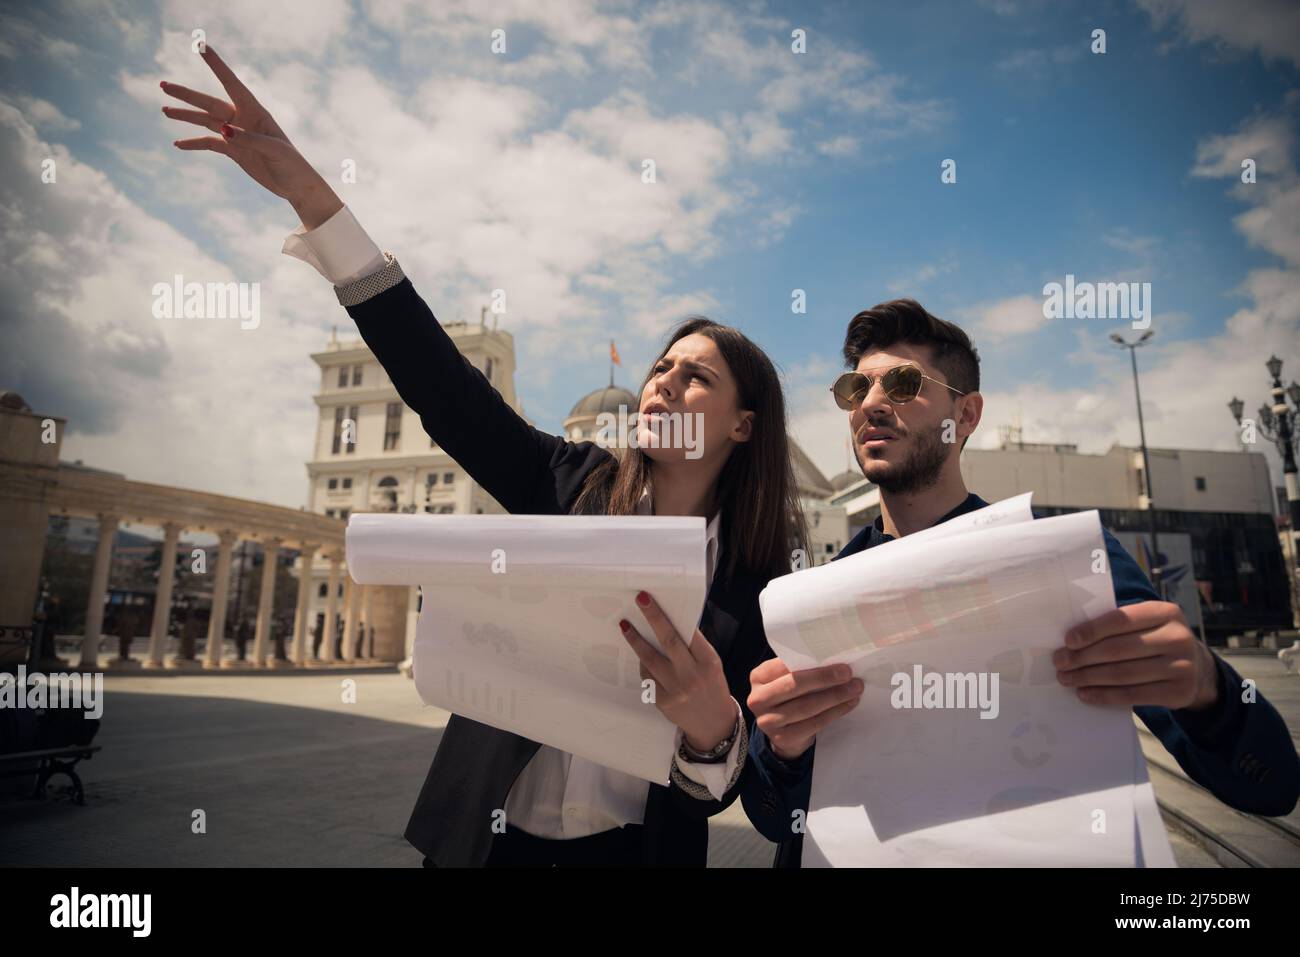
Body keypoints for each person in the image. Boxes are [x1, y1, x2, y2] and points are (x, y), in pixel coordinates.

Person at [164, 45, 808, 867]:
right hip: (486, 844)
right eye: (660, 368)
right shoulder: (568, 483)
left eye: (697, 378)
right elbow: (445, 390)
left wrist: (714, 727)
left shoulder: (761, 578)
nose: (664, 386)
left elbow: (737, 790)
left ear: (744, 425)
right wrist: (313, 198)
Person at [742, 298, 1300, 867]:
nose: (873, 405)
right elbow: (770, 817)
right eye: (856, 391)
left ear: (966, 415)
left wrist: (1207, 689)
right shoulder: (817, 597)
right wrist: (782, 748)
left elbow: (1270, 786)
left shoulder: (1063, 561)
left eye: (904, 384)